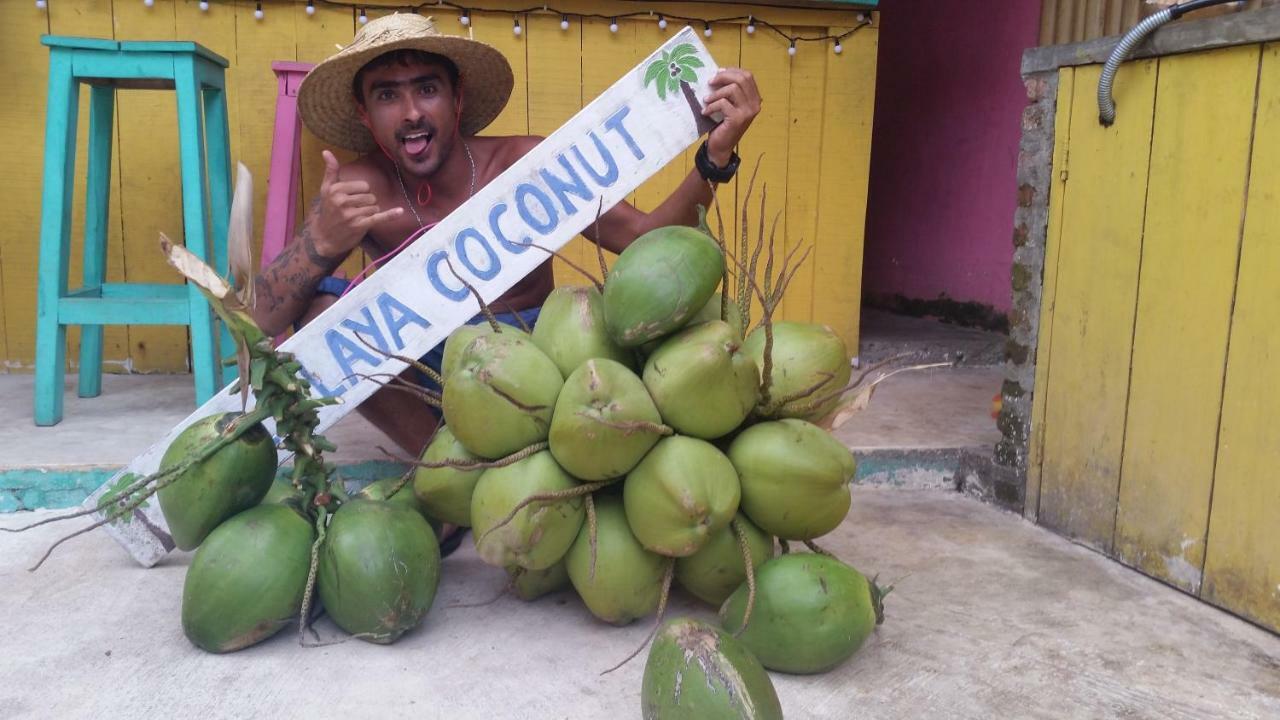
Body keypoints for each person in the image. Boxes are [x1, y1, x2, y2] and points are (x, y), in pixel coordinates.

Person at [252, 13, 760, 459]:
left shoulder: (522, 164)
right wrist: (320, 241)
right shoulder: (360, 189)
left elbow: (650, 241)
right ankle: (442, 469)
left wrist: (714, 159)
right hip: (430, 376)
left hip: (542, 364)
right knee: (322, 310)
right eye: (388, 95)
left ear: (457, 99)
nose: (410, 112)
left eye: (427, 89)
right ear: (365, 114)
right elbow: (261, 320)